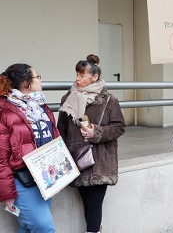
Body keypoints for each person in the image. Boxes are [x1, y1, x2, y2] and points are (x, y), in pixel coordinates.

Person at [57, 54, 125, 233]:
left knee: (95, 203)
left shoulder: (109, 100)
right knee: (87, 202)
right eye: (77, 75)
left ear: (95, 77)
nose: (77, 79)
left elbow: (119, 127)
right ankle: (96, 229)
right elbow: (61, 130)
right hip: (77, 158)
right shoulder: (68, 99)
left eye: (82, 75)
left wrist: (96, 132)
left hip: (101, 160)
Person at [0, 63, 60, 232]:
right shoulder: (5, 112)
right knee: (44, 227)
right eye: (37, 76)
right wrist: (7, 193)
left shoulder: (41, 106)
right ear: (26, 83)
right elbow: (1, 156)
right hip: (21, 179)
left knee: (28, 228)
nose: (40, 80)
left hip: (45, 177)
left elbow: (54, 136)